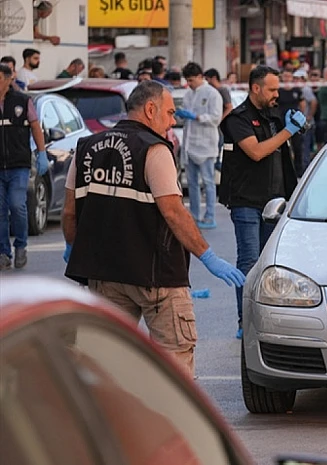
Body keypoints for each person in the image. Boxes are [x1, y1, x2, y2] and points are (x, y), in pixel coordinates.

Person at [62, 81, 243, 377]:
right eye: (169, 113)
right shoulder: (154, 150)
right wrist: (207, 256)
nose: (172, 121)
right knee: (174, 363)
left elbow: (70, 212)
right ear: (150, 109)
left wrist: (72, 246)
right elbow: (173, 212)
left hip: (105, 275)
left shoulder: (85, 147)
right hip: (157, 278)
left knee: (103, 365)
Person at [219, 66, 306, 339]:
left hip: (275, 203)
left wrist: (294, 129)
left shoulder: (273, 116)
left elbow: (283, 155)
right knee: (249, 261)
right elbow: (256, 152)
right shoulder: (238, 119)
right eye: (272, 89)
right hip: (246, 200)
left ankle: (269, 320)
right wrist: (288, 131)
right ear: (256, 88)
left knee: (272, 264)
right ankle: (245, 321)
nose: (276, 94)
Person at [0, 64, 48, 270]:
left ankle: (21, 245)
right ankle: (3, 252)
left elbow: (36, 127)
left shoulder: (22, 101)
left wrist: (42, 152)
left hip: (19, 165)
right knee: (0, 210)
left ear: (8, 79)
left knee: (17, 204)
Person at [177, 62, 223, 229]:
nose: (189, 84)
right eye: (187, 80)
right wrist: (181, 115)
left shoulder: (212, 94)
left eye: (191, 80)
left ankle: (210, 216)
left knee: (208, 182)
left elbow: (215, 118)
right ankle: (194, 216)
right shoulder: (188, 94)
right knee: (192, 183)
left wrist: (196, 117)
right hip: (190, 144)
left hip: (206, 145)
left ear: (199, 77)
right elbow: (184, 117)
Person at [276, 70, 307, 176]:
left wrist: (301, 117)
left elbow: (302, 104)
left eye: (289, 76)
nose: (287, 78)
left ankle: (299, 170)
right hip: (282, 122)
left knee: (298, 147)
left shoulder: (297, 90)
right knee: (282, 146)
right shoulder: (278, 91)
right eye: (285, 76)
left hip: (295, 123)